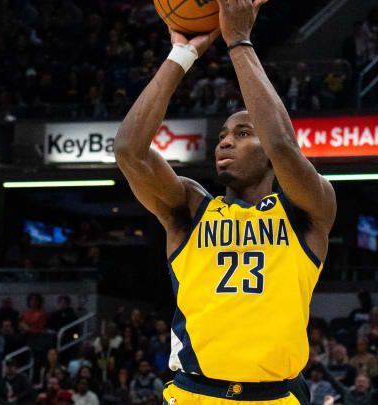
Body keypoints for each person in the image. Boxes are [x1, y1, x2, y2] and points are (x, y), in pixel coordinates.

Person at [114, 1, 337, 405]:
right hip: (194, 394)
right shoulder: (191, 208)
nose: (225, 140)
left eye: (243, 132)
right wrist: (181, 54)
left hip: (274, 397)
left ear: (266, 149)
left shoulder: (307, 209)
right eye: (222, 135)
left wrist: (239, 42)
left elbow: (284, 146)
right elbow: (130, 150)